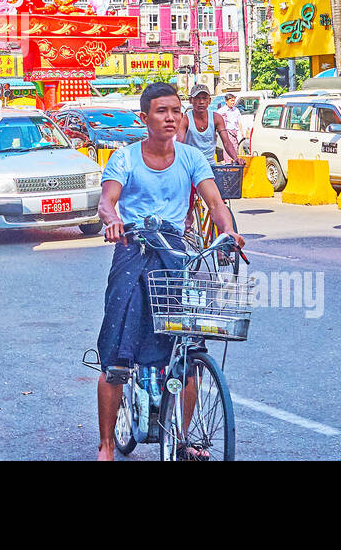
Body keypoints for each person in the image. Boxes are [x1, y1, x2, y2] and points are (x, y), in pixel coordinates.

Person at [95, 82, 240, 462]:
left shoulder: (192, 157)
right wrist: (112, 222)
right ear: (144, 118)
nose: (171, 117)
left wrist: (227, 230)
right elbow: (107, 202)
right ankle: (107, 445)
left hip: (177, 256)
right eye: (162, 111)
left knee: (188, 353)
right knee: (116, 357)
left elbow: (214, 202)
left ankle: (180, 436)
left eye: (176, 110)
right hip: (132, 251)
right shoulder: (124, 159)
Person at [180, 85, 241, 165]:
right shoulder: (185, 119)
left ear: (209, 100)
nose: (201, 102)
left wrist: (236, 158)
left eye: (204, 98)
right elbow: (179, 143)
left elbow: (226, 142)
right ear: (191, 100)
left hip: (210, 166)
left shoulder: (216, 118)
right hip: (191, 165)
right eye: (197, 98)